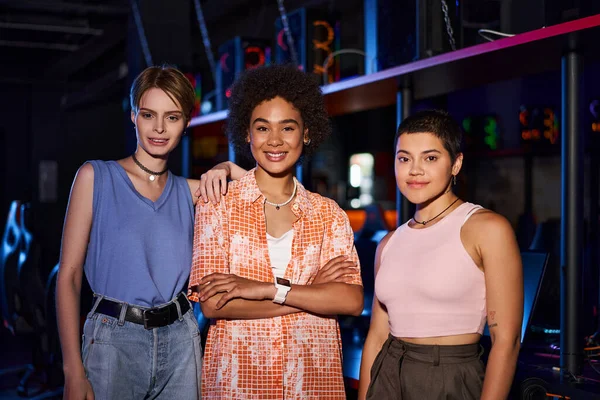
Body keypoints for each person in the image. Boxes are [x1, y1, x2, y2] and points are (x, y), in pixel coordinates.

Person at [188, 64, 364, 399]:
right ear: (247, 134)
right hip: (238, 382)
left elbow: (350, 300)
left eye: (287, 127)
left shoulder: (329, 214)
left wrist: (261, 289)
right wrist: (311, 293)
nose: (275, 140)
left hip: (313, 382)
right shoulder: (217, 205)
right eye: (262, 128)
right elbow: (213, 306)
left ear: (305, 133)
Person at [56, 65, 209, 400]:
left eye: (172, 117)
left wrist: (226, 168)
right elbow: (68, 276)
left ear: (186, 123)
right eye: (148, 114)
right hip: (113, 342)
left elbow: (264, 190)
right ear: (133, 116)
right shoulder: (95, 177)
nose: (158, 127)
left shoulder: (192, 191)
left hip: (182, 340)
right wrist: (72, 370)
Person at [358, 110, 523, 400]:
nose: (415, 170)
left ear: (456, 163)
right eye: (404, 158)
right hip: (387, 375)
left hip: (448, 378)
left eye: (430, 158)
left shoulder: (486, 228)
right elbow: (376, 337)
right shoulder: (388, 243)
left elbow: (506, 341)